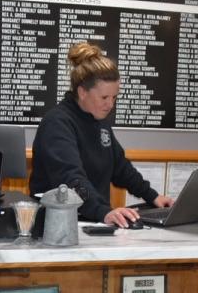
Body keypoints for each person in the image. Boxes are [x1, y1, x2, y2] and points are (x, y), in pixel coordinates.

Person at [29, 42, 174, 227]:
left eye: (114, 97)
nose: (110, 104)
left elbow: (120, 167)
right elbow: (71, 178)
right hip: (56, 226)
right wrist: (103, 211)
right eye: (104, 97)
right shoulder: (57, 123)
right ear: (82, 92)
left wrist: (153, 196)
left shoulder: (100, 120)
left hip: (93, 220)